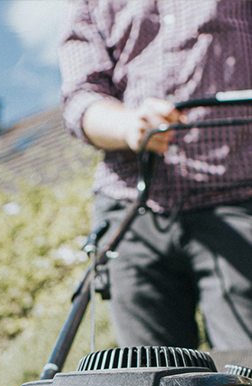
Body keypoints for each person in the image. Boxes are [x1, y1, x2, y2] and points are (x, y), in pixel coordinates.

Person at [59, 0, 252, 349]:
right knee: (151, 384)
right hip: (131, 207)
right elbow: (81, 97)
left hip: (236, 198)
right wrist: (129, 125)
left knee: (244, 376)